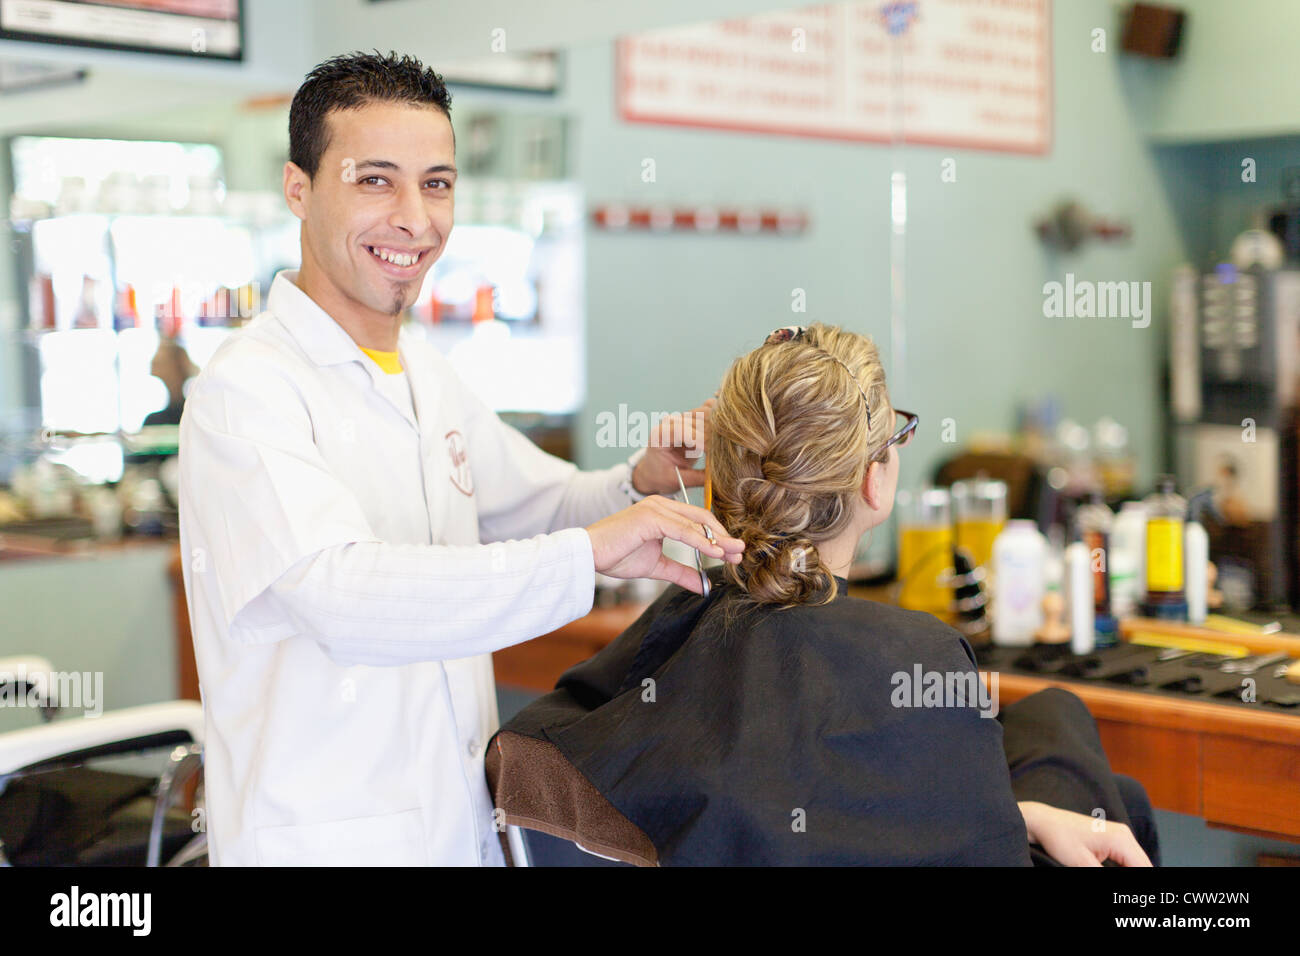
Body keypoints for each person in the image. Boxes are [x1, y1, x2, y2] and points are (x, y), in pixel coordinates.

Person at [177, 51, 744, 866]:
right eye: (376, 180)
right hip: (323, 844)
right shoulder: (247, 391)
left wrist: (633, 483)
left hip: (454, 829)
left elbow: (532, 504)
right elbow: (344, 597)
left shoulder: (425, 374)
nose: (415, 218)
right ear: (298, 188)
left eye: (436, 183)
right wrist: (589, 552)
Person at [494, 323, 1158, 866]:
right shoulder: (917, 654)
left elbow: (547, 759)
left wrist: (1016, 813)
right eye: (897, 437)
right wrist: (1013, 820)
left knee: (1056, 725)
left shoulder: (684, 616)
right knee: (1069, 735)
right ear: (875, 481)